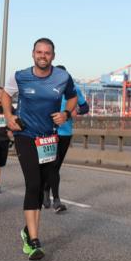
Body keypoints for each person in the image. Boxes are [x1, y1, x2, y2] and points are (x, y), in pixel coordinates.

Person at [1, 38, 77, 261]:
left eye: (47, 53)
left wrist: (67, 114)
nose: (43, 56)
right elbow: (6, 94)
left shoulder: (63, 77)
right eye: (39, 52)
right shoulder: (20, 76)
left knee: (42, 184)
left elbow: (72, 97)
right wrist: (8, 116)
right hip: (25, 135)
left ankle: (27, 230)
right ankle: (34, 241)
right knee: (33, 184)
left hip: (49, 139)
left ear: (53, 55)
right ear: (33, 54)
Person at [42, 65, 89, 212]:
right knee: (52, 165)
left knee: (56, 166)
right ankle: (56, 200)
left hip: (66, 133)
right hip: (48, 132)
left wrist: (77, 110)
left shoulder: (73, 90)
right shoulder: (47, 88)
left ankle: (46, 190)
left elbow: (85, 107)